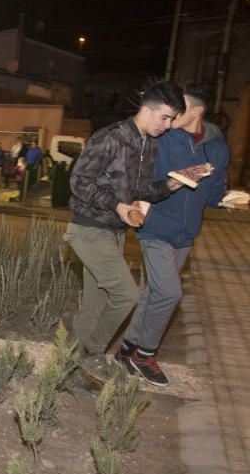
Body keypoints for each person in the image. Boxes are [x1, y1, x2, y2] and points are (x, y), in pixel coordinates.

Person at [65, 80, 210, 382]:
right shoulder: (111, 138)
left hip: (115, 233)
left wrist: (173, 182)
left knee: (96, 303)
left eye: (172, 119)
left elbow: (142, 189)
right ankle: (91, 354)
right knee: (126, 294)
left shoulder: (149, 143)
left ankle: (71, 368)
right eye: (166, 118)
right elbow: (78, 181)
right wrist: (118, 205)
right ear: (147, 109)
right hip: (89, 228)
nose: (168, 125)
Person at [115, 84, 230, 386]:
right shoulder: (161, 139)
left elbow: (213, 191)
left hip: (187, 233)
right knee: (170, 292)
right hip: (155, 227)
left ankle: (127, 350)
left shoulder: (217, 147)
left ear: (197, 111)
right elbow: (139, 178)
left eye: (182, 108)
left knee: (156, 293)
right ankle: (145, 355)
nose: (175, 112)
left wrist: (227, 199)